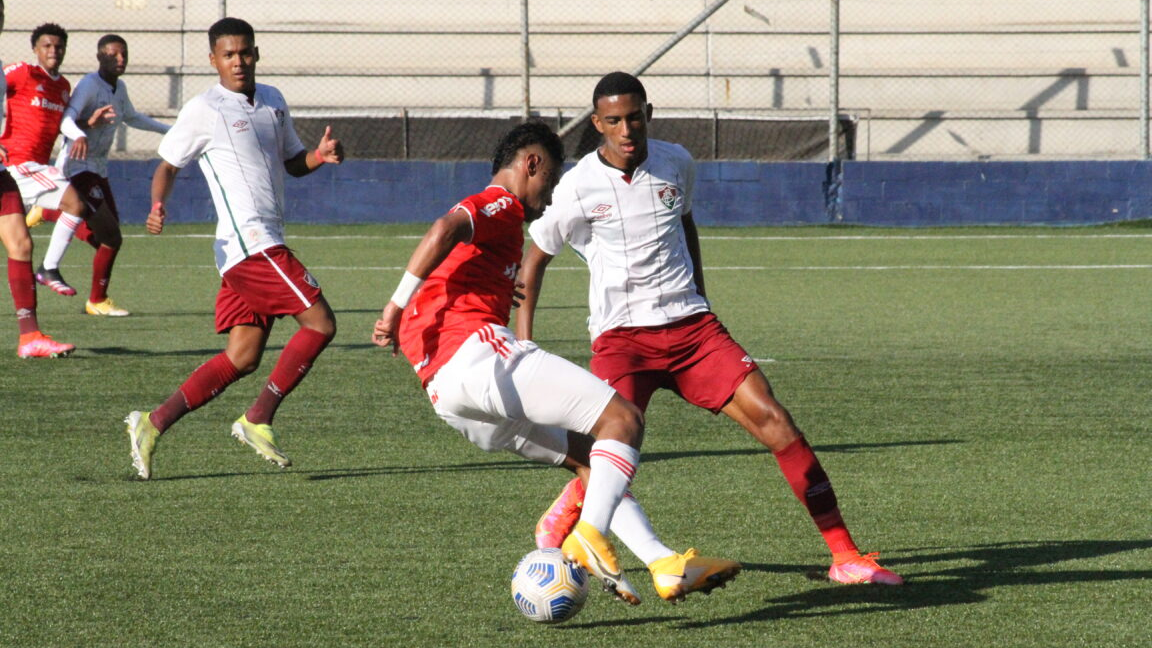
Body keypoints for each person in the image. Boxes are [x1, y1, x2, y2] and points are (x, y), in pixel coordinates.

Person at [517, 72, 904, 586]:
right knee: (604, 454)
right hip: (622, 340)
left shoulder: (677, 161)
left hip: (694, 331)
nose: (627, 129)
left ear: (648, 113)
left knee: (777, 422)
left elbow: (685, 222)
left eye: (634, 117)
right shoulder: (577, 187)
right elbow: (533, 261)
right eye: (613, 121)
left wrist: (699, 292)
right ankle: (574, 515)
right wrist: (523, 343)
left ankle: (845, 556)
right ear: (597, 124)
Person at [373, 121, 740, 605]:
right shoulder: (502, 203)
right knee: (623, 419)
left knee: (590, 459)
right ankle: (588, 535)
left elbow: (453, 276)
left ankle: (663, 563)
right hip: (479, 359)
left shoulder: (492, 245)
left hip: (447, 397)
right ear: (531, 164)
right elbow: (445, 227)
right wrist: (395, 305)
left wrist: (493, 292)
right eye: (552, 177)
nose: (551, 194)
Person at [124, 17, 341, 481]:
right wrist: (158, 204)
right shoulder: (205, 108)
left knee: (242, 356)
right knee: (321, 323)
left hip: (262, 241)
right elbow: (167, 163)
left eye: (245, 52)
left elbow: (292, 162)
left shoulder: (275, 101)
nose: (238, 61)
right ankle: (258, 418)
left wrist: (318, 157)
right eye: (228, 54)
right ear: (213, 60)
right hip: (250, 243)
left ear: (256, 53)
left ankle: (152, 422)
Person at [27, 34, 172, 317]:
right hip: (78, 168)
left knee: (110, 238)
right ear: (99, 57)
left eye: (123, 55)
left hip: (99, 170)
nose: (119, 60)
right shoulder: (89, 85)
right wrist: (81, 133)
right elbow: (66, 119)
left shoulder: (120, 88)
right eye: (112, 55)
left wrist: (168, 130)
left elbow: (132, 117)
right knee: (111, 237)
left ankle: (50, 212)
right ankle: (96, 299)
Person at [1, 23, 117, 309]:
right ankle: (48, 268)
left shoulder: (63, 87)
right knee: (75, 204)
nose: (53, 51)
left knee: (68, 210)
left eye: (58, 46)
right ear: (35, 49)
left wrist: (86, 126)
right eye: (47, 46)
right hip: (18, 163)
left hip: (38, 167)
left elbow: (62, 124)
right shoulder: (22, 72)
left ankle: (45, 273)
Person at [0, 3, 74, 358]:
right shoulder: (17, 71)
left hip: (4, 171)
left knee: (21, 245)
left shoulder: (5, 70)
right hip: (18, 164)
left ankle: (30, 337)